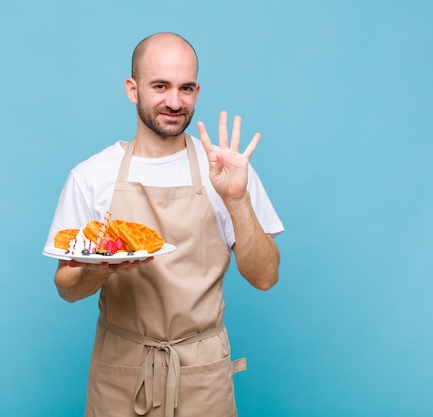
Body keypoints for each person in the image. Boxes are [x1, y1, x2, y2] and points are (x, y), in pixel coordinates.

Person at [44, 32, 284, 417]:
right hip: (120, 371)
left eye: (185, 88)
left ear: (197, 91)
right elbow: (66, 288)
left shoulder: (226, 171)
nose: (175, 101)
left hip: (201, 373)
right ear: (132, 89)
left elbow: (265, 277)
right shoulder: (91, 176)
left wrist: (237, 201)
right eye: (160, 86)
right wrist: (98, 269)